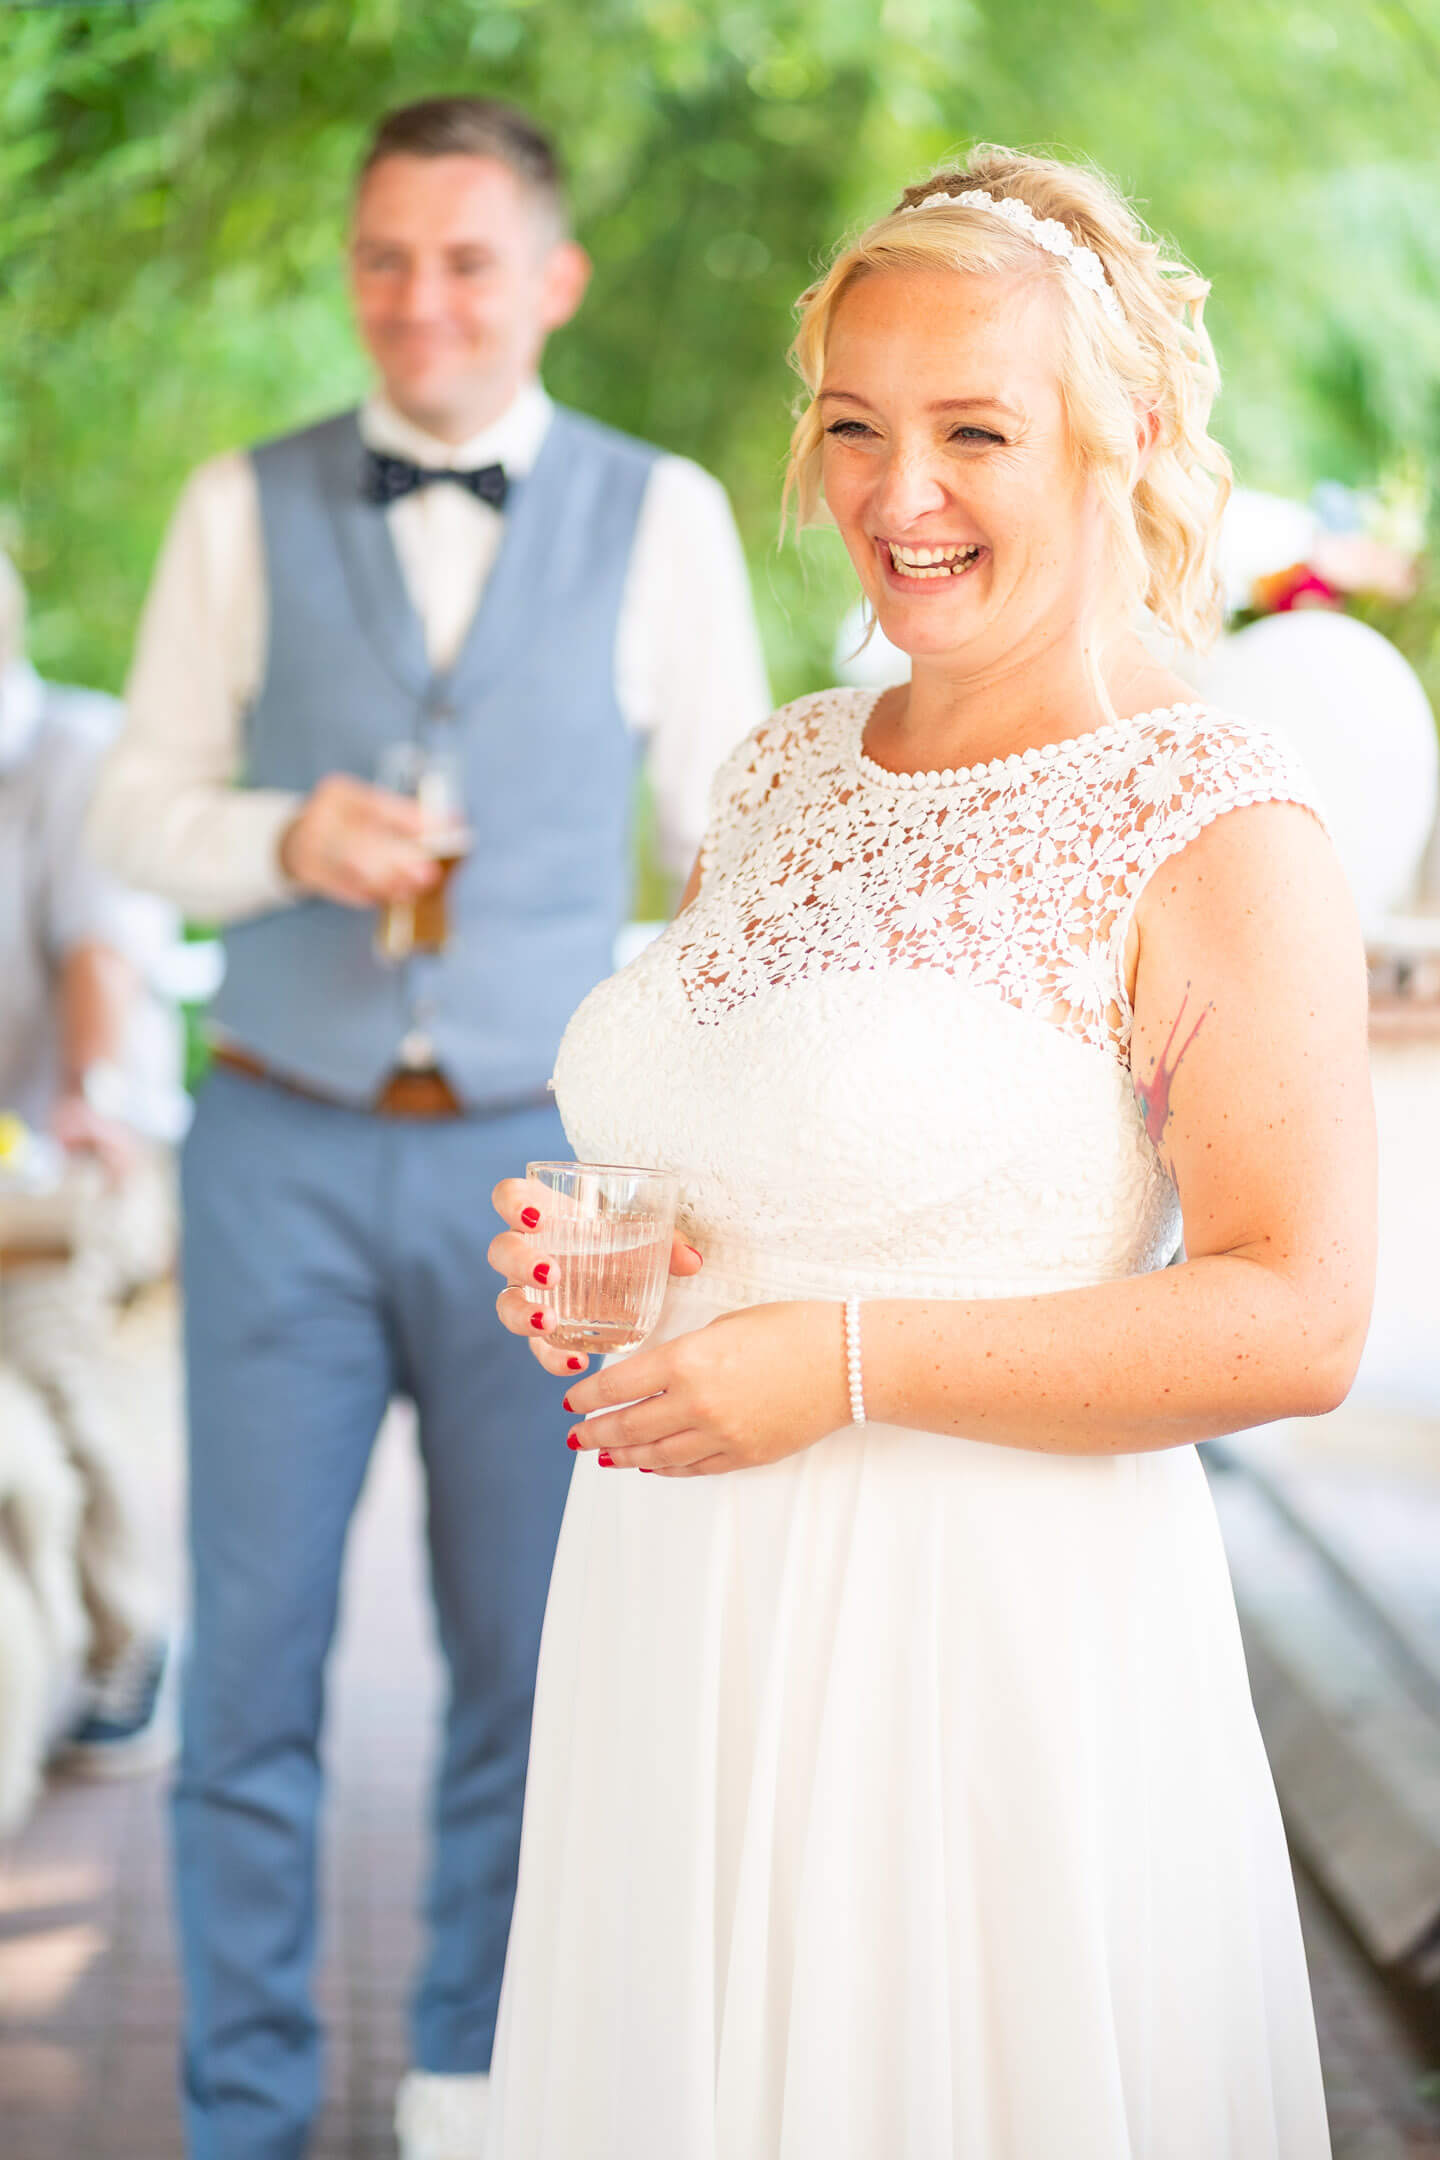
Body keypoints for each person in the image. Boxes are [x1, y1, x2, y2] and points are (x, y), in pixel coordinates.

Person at [484, 148, 1375, 2157]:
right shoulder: (782, 768)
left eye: (977, 429)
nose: (904, 494)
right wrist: (605, 1246)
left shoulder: (1214, 817)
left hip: (977, 1659)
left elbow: (1298, 1317)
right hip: (674, 1611)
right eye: (858, 425)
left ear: (1116, 439)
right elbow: (751, 1141)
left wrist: (843, 1363)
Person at [87, 96, 769, 2160]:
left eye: (468, 259)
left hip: (543, 1188)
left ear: (550, 281)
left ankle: (478, 2098)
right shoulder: (240, 502)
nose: (421, 300)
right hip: (277, 1145)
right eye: (386, 256)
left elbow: (735, 860)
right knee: (253, 1681)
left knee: (532, 1677)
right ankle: (243, 2118)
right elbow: (131, 817)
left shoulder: (662, 520)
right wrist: (284, 830)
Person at [0, 546, 178, 1780]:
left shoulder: (73, 748)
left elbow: (98, 949)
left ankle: (128, 1646)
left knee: (65, 1389)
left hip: (67, 1154)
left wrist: (84, 1097)